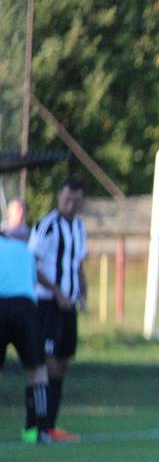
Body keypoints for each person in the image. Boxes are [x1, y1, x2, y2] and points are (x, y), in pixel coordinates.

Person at [27, 176, 87, 443]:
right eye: (66, 198)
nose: (70, 204)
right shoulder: (47, 225)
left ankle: (51, 426)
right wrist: (56, 291)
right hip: (48, 305)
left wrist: (83, 292)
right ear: (58, 197)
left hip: (68, 307)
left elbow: (78, 264)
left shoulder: (80, 228)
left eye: (76, 200)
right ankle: (37, 426)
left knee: (62, 364)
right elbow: (32, 264)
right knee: (47, 363)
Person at [0, 232, 50, 444]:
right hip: (25, 308)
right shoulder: (23, 249)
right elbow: (31, 282)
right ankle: (37, 430)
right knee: (37, 370)